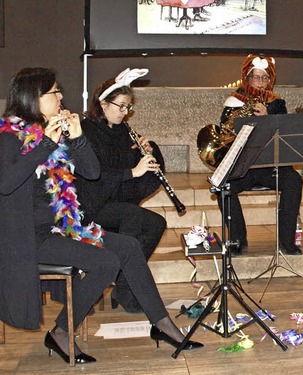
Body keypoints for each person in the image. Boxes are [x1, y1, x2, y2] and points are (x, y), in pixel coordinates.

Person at [0, 67, 202, 365]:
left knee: (129, 247)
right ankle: (60, 333)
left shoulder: (58, 130)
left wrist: (78, 139)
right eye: (54, 92)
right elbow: (6, 184)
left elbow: (91, 172)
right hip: (29, 236)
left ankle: (162, 325)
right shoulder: (9, 137)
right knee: (106, 261)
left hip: (65, 226)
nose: (61, 97)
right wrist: (45, 144)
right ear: (34, 97)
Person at [75, 68, 167, 314]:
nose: (126, 113)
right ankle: (126, 289)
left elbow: (124, 161)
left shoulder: (121, 130)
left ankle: (124, 286)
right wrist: (133, 172)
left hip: (112, 200)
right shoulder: (86, 131)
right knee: (137, 220)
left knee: (152, 223)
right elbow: (94, 175)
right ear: (103, 104)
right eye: (122, 106)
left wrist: (146, 152)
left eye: (129, 107)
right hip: (90, 202)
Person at [218, 54, 303, 256]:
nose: (260, 82)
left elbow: (285, 133)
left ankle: (287, 241)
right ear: (246, 79)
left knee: (294, 181)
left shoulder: (277, 103)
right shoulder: (233, 102)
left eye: (265, 78)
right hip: (244, 167)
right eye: (256, 77)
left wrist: (267, 118)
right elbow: (223, 135)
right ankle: (238, 239)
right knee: (222, 186)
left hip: (271, 165)